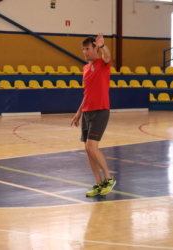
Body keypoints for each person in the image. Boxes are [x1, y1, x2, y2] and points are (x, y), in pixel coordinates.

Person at [71, 33, 116, 197]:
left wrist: (103, 45)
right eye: (83, 49)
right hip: (87, 112)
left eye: (88, 48)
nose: (85, 52)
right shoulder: (85, 68)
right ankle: (99, 183)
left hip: (100, 110)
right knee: (87, 149)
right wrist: (78, 112)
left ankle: (109, 178)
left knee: (92, 147)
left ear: (95, 48)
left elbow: (108, 55)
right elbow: (87, 93)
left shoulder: (102, 63)